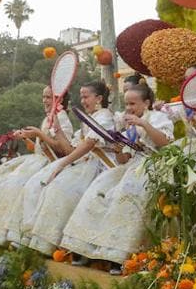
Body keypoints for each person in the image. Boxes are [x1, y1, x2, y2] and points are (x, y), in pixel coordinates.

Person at [60, 82, 174, 270]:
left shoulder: (158, 117)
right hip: (131, 167)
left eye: (133, 104)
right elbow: (122, 159)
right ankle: (84, 247)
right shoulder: (128, 126)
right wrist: (119, 148)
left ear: (146, 103)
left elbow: (164, 143)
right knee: (99, 190)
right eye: (127, 104)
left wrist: (144, 124)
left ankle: (120, 255)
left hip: (155, 166)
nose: (128, 108)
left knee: (126, 194)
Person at [0, 86, 74, 246]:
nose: (44, 101)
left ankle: (16, 235)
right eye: (43, 97)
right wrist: (25, 138)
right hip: (35, 161)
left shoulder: (62, 119)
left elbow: (63, 150)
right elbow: (38, 147)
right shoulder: (49, 117)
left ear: (60, 100)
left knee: (15, 184)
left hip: (50, 165)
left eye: (49, 97)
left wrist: (38, 134)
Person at [17, 80, 117, 255]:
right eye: (81, 97)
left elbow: (88, 146)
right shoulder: (88, 120)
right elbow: (71, 149)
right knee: (44, 186)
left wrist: (62, 164)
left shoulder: (105, 116)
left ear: (99, 98)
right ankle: (43, 240)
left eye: (86, 97)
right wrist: (58, 131)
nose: (83, 101)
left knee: (61, 190)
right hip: (84, 164)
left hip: (101, 166)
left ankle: (70, 245)